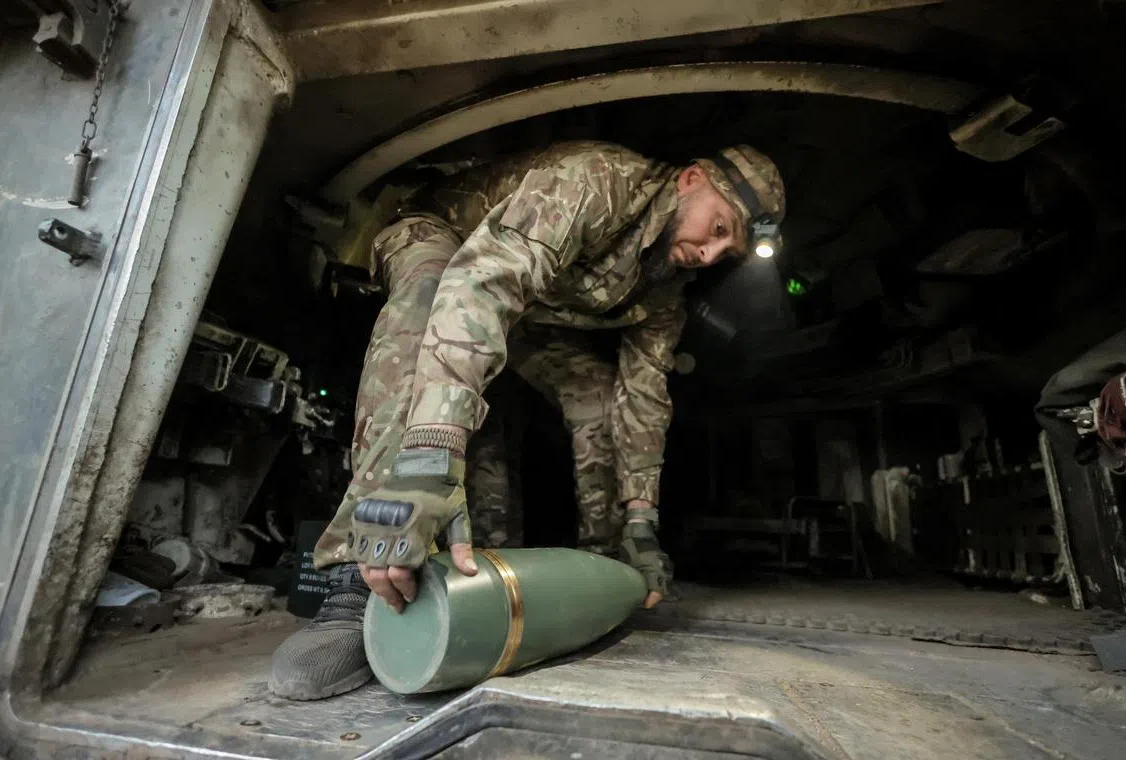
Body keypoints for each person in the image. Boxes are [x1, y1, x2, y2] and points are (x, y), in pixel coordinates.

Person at [270, 140, 786, 700]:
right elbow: (483, 281)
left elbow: (643, 398)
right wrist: (430, 455)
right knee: (422, 311)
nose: (711, 254)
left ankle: (605, 560)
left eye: (727, 250)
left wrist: (640, 520)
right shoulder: (595, 181)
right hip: (447, 241)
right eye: (718, 227)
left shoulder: (665, 292)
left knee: (595, 392)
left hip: (525, 309)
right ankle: (353, 574)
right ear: (690, 180)